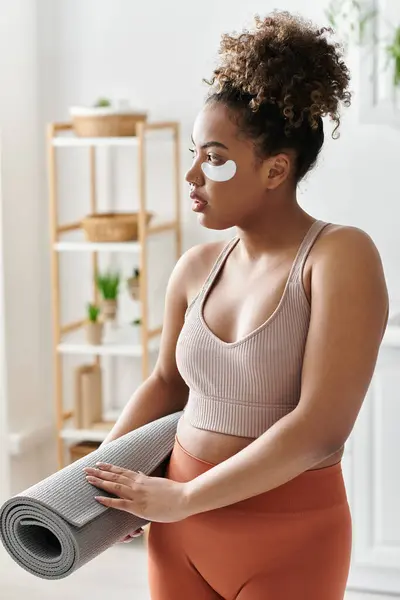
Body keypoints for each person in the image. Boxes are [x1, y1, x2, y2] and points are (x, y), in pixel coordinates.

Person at [84, 11, 389, 599]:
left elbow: (319, 431)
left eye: (216, 158)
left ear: (276, 168)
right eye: (196, 153)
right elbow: (166, 383)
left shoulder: (339, 257)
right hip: (178, 534)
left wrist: (184, 498)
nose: (193, 174)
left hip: (290, 538)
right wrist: (96, 480)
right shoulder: (195, 268)